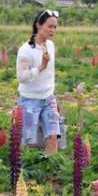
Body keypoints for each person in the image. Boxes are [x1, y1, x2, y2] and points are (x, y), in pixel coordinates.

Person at [16, 9, 61, 155]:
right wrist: (41, 66)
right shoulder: (25, 50)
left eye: (55, 27)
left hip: (49, 99)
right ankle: (23, 171)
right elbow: (22, 77)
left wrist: (52, 94)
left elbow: (50, 74)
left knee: (53, 136)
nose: (53, 30)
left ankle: (51, 170)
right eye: (49, 26)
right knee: (28, 140)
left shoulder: (51, 46)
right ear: (38, 25)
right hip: (30, 100)